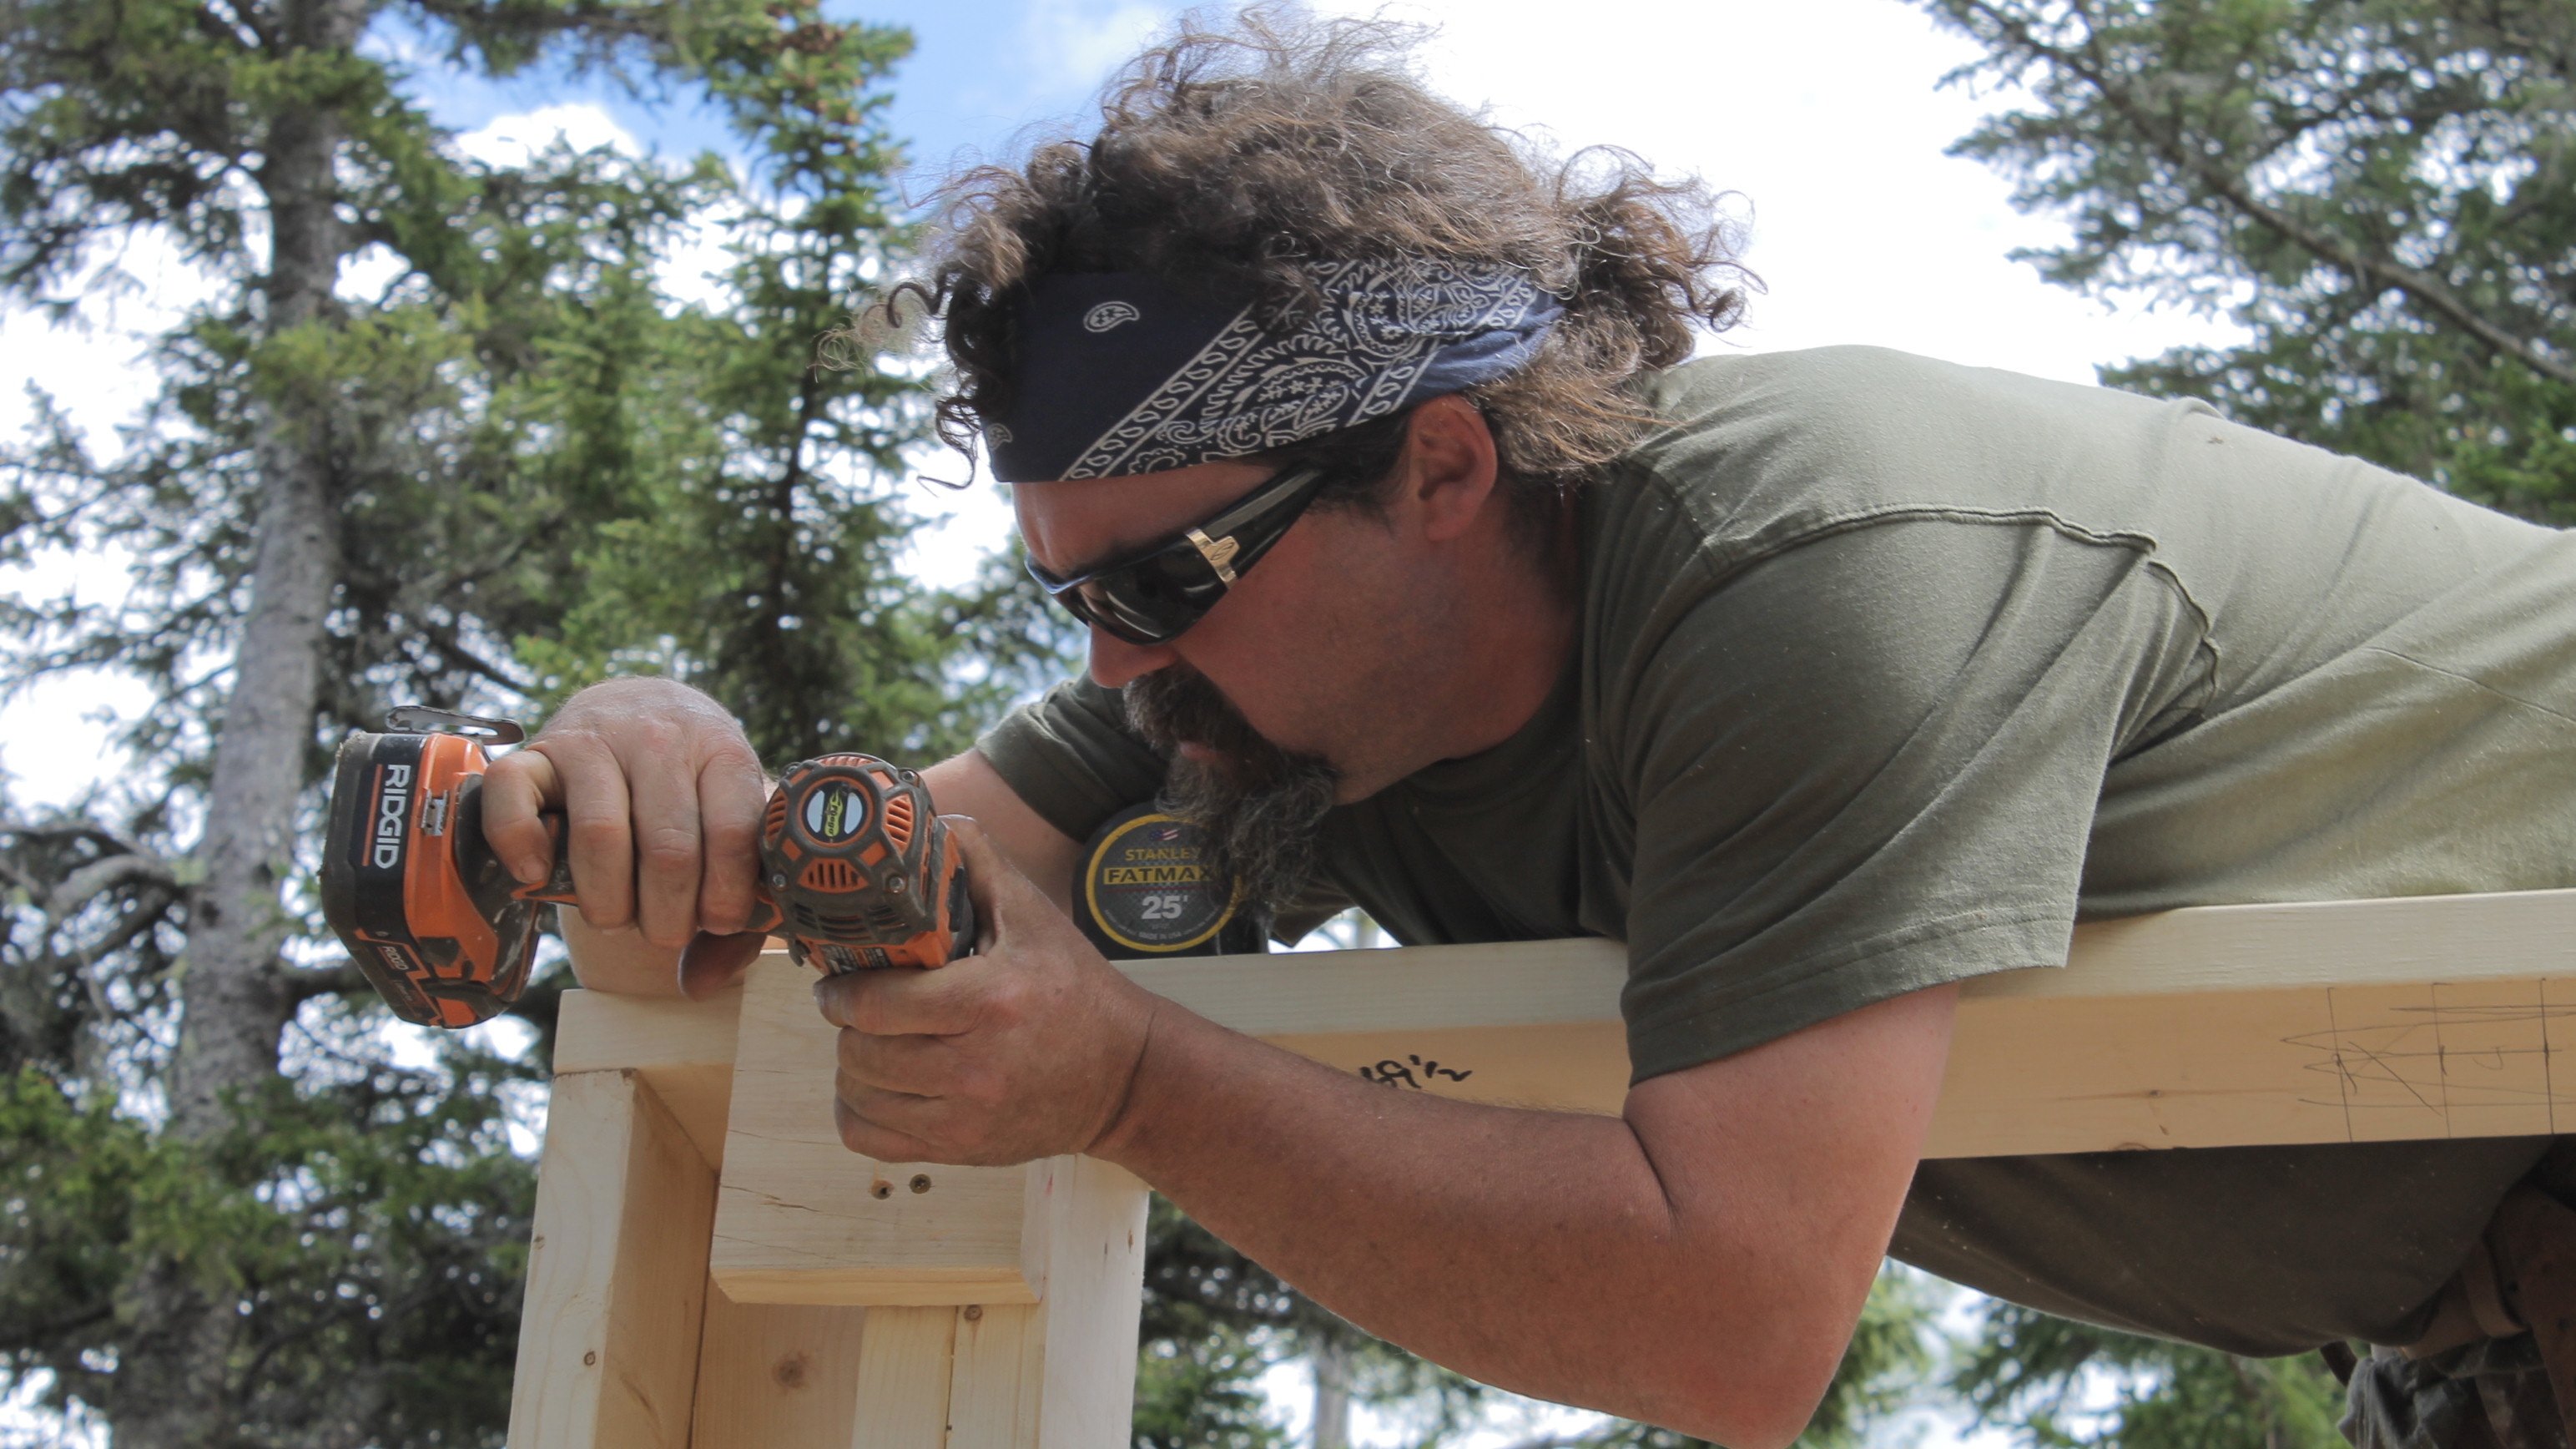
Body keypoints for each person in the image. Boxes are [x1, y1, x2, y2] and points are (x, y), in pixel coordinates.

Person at [484, 15, 2576, 1448]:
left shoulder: (1816, 560)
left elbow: (1729, 1318)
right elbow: (846, 895)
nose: (1115, 673)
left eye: (1160, 582)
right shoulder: (1268, 697)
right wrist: (645, 762)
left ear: (1448, 468)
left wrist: (1134, 1084)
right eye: (1072, 596)